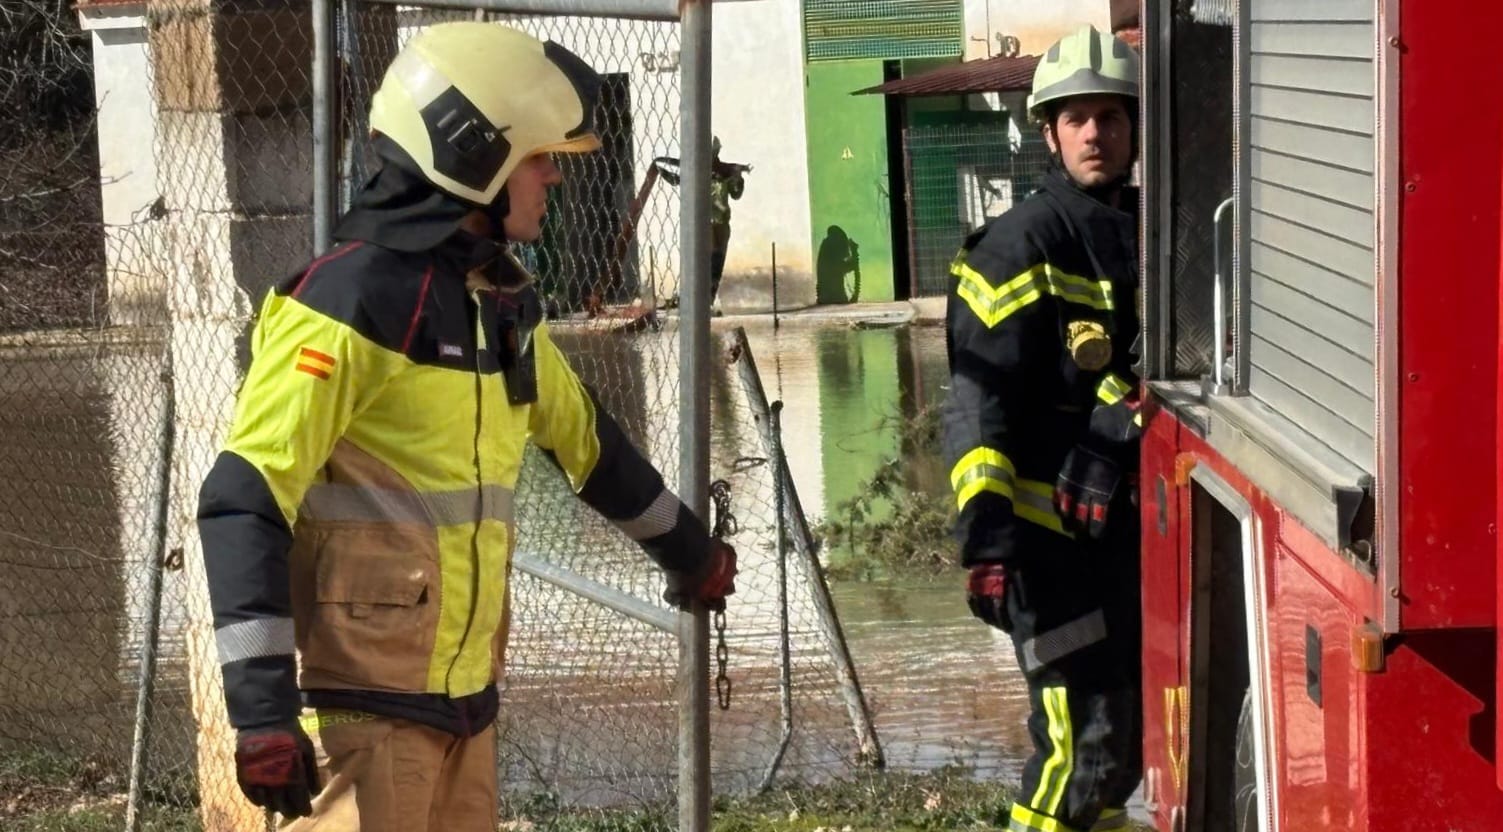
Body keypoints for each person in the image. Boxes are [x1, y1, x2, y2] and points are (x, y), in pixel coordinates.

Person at [196, 23, 737, 831]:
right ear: (472, 158)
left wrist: (690, 554)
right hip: (358, 715)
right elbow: (244, 500)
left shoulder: (496, 300)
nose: (553, 175)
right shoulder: (347, 301)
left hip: (463, 704)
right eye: (538, 156)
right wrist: (261, 712)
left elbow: (587, 445)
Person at [941, 24, 1143, 832]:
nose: (1095, 132)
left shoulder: (1159, 231)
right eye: (1075, 118)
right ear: (1048, 133)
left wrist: (1116, 417)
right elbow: (975, 403)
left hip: (1122, 543)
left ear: (1133, 126)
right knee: (1079, 747)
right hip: (1042, 545)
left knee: (1123, 754)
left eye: (1110, 115)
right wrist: (987, 543)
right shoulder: (1018, 245)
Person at [660, 135, 748, 312]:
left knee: (717, 263)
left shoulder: (725, 172)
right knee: (706, 259)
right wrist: (667, 174)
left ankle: (709, 300)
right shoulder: (695, 172)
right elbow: (673, 177)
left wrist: (738, 180)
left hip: (721, 223)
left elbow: (736, 194)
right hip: (702, 223)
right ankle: (697, 299)